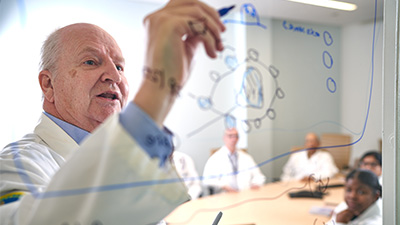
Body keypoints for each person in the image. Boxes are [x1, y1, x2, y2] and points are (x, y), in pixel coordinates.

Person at [0, 1, 226, 224]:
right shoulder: (16, 164)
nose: (115, 77)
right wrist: (158, 89)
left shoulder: (123, 154)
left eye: (119, 66)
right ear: (49, 85)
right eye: (90, 61)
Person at [202, 128, 266, 193]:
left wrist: (255, 184)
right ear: (224, 138)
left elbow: (259, 176)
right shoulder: (215, 158)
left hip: (245, 194)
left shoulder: (246, 157)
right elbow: (206, 181)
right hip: (225, 196)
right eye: (230, 136)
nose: (233, 139)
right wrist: (223, 186)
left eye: (236, 136)